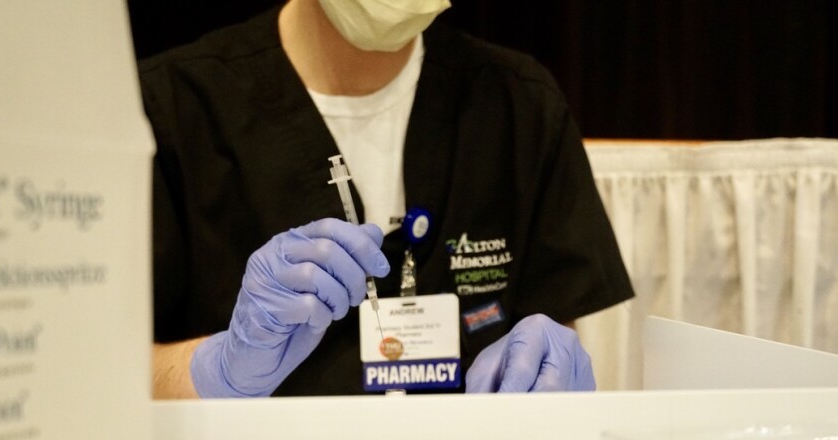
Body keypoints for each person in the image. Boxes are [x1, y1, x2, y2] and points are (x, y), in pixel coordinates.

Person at [137, 0, 634, 399]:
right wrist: (220, 371)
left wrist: (549, 375)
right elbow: (101, 376)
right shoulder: (173, 110)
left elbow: (552, 331)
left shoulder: (518, 104)